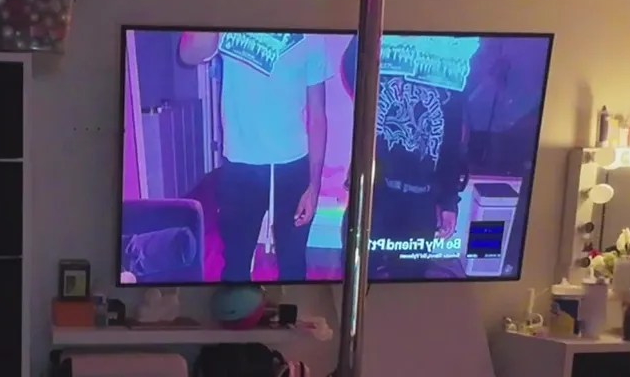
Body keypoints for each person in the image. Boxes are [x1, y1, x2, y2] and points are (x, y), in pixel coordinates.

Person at [180, 31, 331, 282]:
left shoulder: (312, 34)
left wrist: (314, 186)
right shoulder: (230, 20)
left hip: (293, 167)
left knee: (293, 267)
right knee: (235, 268)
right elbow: (188, 55)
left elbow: (318, 116)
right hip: (239, 167)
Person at [343, 35, 472, 279]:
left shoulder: (452, 54)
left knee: (409, 279)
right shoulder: (389, 42)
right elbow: (351, 66)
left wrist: (448, 202)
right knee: (358, 273)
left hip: (421, 199)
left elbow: (452, 142)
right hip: (375, 192)